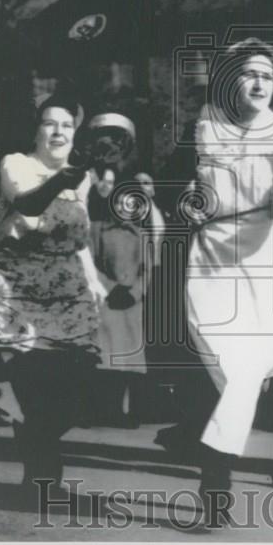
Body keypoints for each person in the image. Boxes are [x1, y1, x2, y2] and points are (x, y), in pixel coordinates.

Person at [158, 38, 273, 525]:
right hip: (213, 262)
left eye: (267, 76)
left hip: (272, 264)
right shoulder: (201, 129)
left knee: (246, 376)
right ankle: (208, 464)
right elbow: (168, 187)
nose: (258, 83)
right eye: (249, 74)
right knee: (229, 371)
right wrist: (186, 200)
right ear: (229, 80)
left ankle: (213, 486)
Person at [0, 95, 108, 500]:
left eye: (66, 125)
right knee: (35, 387)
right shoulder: (16, 163)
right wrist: (59, 182)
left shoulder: (81, 177)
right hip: (18, 287)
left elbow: (79, 237)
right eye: (50, 123)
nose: (58, 131)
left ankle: (34, 450)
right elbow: (27, 204)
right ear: (36, 130)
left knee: (78, 382)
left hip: (67, 289)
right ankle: (43, 478)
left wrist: (94, 281)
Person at [88, 142, 165, 427]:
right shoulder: (97, 229)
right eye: (121, 201)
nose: (125, 206)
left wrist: (136, 291)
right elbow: (91, 263)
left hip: (132, 302)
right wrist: (107, 287)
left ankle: (125, 410)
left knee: (129, 359)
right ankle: (103, 410)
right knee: (106, 358)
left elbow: (148, 269)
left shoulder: (142, 236)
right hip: (107, 301)